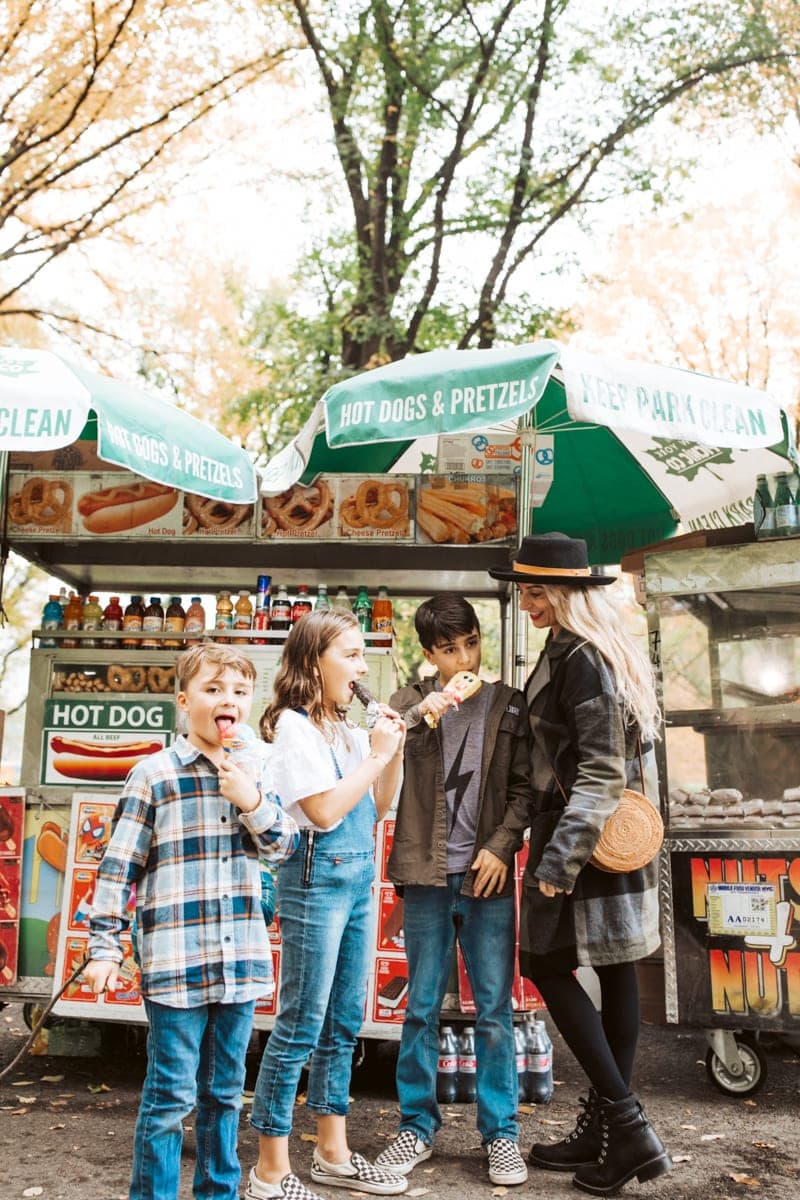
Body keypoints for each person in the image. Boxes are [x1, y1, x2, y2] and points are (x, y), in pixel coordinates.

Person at [489, 533, 673, 1197]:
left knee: (543, 964)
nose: (527, 600)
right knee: (617, 971)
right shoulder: (587, 649)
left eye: (538, 590)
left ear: (568, 593)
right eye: (524, 588)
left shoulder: (582, 658)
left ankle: (627, 1128)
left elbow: (598, 767)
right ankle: (605, 1130)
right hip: (605, 837)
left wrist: (557, 862)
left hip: (582, 840)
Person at [83, 642, 300, 1200]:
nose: (227, 699)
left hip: (240, 965)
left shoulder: (255, 770)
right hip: (176, 965)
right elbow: (117, 868)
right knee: (169, 1099)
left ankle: (217, 1192)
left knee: (225, 1094)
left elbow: (282, 848)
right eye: (212, 689)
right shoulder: (153, 775)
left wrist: (251, 799)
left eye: (238, 691)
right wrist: (104, 947)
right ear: (184, 702)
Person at [247, 609, 407, 1200]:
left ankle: (333, 1154)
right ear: (313, 661)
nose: (363, 667)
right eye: (351, 655)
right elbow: (321, 812)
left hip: (358, 881)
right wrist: (374, 754)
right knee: (299, 1025)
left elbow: (380, 807)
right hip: (314, 882)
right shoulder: (294, 729)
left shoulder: (345, 728)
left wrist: (392, 752)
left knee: (342, 1025)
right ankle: (269, 1171)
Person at [374, 594, 530, 1188]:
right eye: (449, 649)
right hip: (426, 876)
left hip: (486, 875)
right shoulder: (405, 704)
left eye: (470, 644)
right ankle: (416, 1127)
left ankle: (502, 1137)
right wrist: (420, 715)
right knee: (420, 1009)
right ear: (427, 652)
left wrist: (500, 845)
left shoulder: (507, 704)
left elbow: (523, 791)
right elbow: (379, 767)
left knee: (493, 1010)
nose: (463, 656)